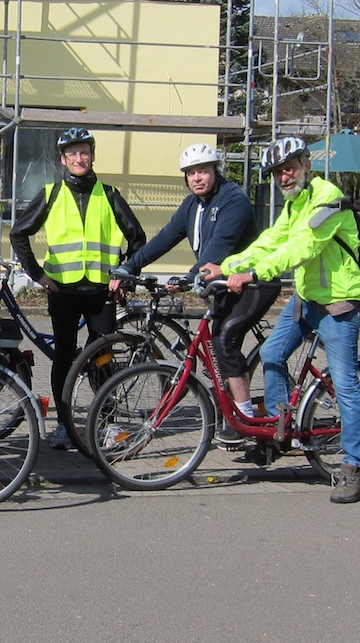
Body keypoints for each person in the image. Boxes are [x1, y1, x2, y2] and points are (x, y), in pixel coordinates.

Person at [200, 136, 360, 503]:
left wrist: (254, 274)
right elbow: (271, 241)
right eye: (277, 172)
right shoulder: (295, 204)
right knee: (273, 355)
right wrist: (227, 265)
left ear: (306, 163)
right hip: (308, 299)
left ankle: (355, 465)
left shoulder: (328, 198)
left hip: (341, 304)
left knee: (345, 383)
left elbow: (301, 248)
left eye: (289, 168)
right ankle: (282, 433)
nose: (283, 176)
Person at [113, 143, 281, 446]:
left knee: (225, 339)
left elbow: (222, 245)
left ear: (215, 171)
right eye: (191, 173)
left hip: (253, 284)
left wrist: (192, 276)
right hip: (219, 286)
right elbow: (165, 238)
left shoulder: (234, 200)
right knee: (216, 348)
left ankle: (242, 418)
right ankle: (229, 405)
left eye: (202, 170)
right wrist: (130, 267)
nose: (197, 178)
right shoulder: (192, 205)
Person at [10, 127, 146, 450]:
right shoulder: (51, 193)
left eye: (84, 152)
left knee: (102, 355)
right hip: (64, 292)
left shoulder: (109, 194)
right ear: (63, 160)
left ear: (93, 155)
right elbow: (18, 233)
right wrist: (37, 274)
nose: (79, 158)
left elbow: (138, 238)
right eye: (72, 153)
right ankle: (64, 425)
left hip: (102, 293)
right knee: (65, 358)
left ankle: (109, 423)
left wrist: (124, 274)